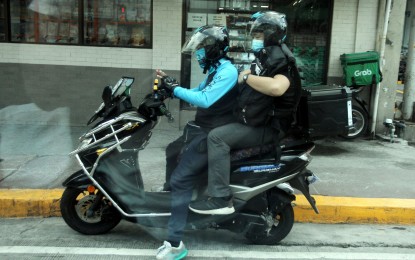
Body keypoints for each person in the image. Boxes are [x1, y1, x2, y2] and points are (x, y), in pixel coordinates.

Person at [189, 11, 302, 215]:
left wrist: (246, 78)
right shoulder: (268, 56)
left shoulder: (282, 61)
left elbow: (278, 88)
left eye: (258, 35)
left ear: (271, 34)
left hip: (269, 128)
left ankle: (221, 198)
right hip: (257, 121)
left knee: (217, 138)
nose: (254, 39)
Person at [155, 25, 238, 260]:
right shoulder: (216, 69)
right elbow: (195, 91)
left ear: (213, 48)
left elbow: (205, 99)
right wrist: (171, 87)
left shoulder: (227, 71)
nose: (198, 53)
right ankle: (175, 202)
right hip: (202, 128)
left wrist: (176, 89)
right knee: (172, 150)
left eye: (202, 47)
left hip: (212, 132)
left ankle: (175, 243)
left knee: (181, 179)